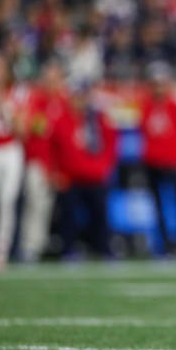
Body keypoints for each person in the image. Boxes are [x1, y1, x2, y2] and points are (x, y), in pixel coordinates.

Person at [50, 81, 117, 258]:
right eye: (76, 96)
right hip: (70, 176)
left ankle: (103, 249)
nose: (79, 101)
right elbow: (54, 147)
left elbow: (111, 143)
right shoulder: (62, 119)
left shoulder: (97, 119)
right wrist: (57, 171)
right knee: (68, 216)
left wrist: (105, 165)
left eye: (82, 96)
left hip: (94, 175)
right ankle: (68, 250)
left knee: (100, 215)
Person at [139, 62, 176, 254]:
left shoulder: (175, 107)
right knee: (158, 205)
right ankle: (164, 244)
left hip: (172, 163)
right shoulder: (146, 106)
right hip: (153, 162)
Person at [19, 59, 67, 262]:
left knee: (47, 206)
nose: (52, 82)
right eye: (49, 78)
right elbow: (32, 130)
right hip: (38, 160)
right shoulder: (35, 100)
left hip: (56, 163)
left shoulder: (63, 102)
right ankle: (28, 246)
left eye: (55, 78)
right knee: (34, 204)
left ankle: (40, 244)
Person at [0, 54, 24, 271]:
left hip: (9, 150)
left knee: (6, 201)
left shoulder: (15, 94)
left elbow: (22, 130)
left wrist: (6, 110)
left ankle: (1, 252)